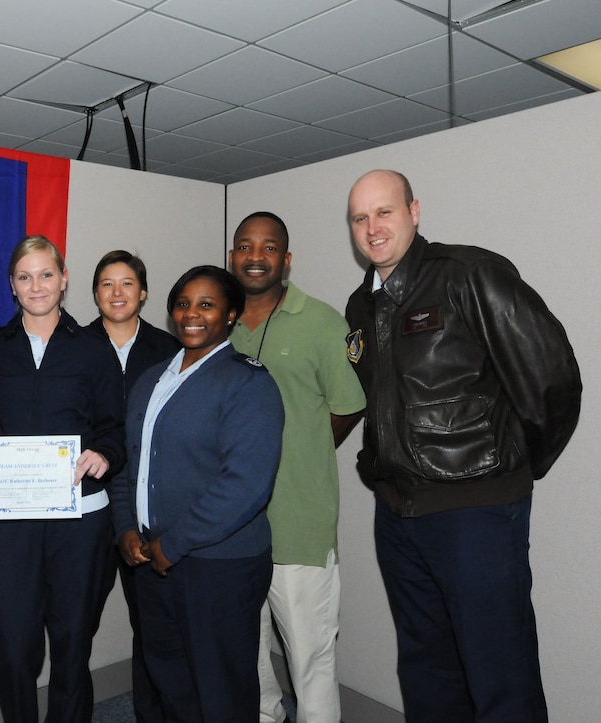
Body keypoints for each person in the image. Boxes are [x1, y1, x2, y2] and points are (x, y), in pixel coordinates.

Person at [344, 169, 581, 722]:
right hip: (397, 515)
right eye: (360, 218)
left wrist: (510, 468)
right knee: (427, 672)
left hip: (474, 514)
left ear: (414, 211)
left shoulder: (469, 274)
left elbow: (552, 378)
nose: (373, 228)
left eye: (385, 211)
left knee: (499, 673)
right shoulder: (362, 306)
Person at [0, 235, 125, 723]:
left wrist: (104, 455)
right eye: (25, 277)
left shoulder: (94, 349)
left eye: (46, 274)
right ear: (12, 285)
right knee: (10, 643)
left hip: (81, 520)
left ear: (64, 279)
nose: (36, 286)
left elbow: (115, 427)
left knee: (72, 642)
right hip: (9, 522)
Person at [111, 265, 284, 722]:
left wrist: (174, 543)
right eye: (183, 304)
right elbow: (131, 463)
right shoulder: (151, 380)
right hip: (152, 562)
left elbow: (245, 485)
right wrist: (125, 527)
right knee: (172, 684)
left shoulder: (249, 383)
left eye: (207, 305)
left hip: (219, 567)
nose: (192, 313)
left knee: (220, 690)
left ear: (230, 315)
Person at [228, 212, 365, 723]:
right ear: (232, 257)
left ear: (285, 260)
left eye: (268, 248)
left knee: (310, 658)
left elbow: (348, 405)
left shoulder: (323, 322)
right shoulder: (217, 321)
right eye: (245, 246)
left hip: (299, 523)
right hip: (233, 526)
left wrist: (298, 451)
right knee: (246, 648)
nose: (255, 256)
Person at [85, 250, 179, 723]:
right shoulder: (72, 345)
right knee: (76, 624)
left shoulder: (170, 350)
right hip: (86, 504)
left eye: (127, 283)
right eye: (107, 283)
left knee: (153, 625)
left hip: (145, 505)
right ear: (94, 293)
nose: (117, 292)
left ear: (143, 293)